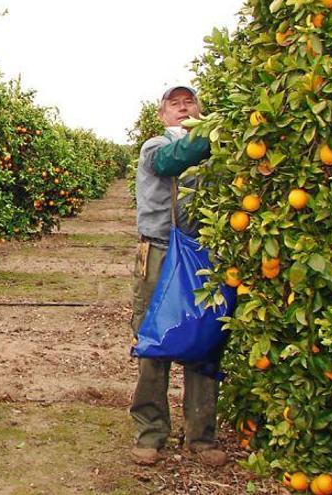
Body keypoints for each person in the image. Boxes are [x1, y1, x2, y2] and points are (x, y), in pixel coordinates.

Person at [130, 85, 227, 467]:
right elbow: (175, 159)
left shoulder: (216, 151)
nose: (183, 108)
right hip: (159, 252)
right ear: (162, 114)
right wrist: (213, 131)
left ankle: (202, 436)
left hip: (205, 253)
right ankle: (150, 432)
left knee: (204, 337)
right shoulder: (156, 146)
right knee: (156, 340)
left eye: (190, 103)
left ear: (201, 109)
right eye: (176, 104)